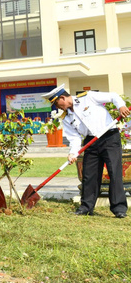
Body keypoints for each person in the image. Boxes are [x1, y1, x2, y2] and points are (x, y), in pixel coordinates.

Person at [43, 84, 130, 218]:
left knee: (114, 171)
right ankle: (86, 207)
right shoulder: (66, 118)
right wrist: (73, 153)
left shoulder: (88, 97)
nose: (56, 107)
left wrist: (121, 106)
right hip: (91, 142)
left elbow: (113, 96)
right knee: (89, 175)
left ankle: (119, 208)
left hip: (109, 137)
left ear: (62, 98)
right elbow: (75, 138)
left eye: (56, 103)